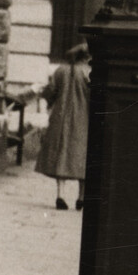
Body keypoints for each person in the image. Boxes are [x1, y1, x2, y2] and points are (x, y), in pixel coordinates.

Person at [35, 39, 90, 209]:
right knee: (84, 157)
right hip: (84, 119)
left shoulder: (60, 71)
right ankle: (81, 197)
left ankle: (61, 195)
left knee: (61, 154)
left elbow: (50, 92)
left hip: (61, 118)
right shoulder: (88, 72)